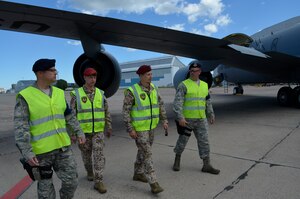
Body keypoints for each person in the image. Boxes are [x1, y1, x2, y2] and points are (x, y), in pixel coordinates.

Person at [14, 58, 86, 199]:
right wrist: (27, 152)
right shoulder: (26, 96)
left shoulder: (59, 93)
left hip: (62, 148)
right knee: (45, 192)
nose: (55, 73)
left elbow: (68, 115)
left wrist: (78, 131)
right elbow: (20, 127)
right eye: (52, 70)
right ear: (40, 73)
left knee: (71, 182)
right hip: (41, 153)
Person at [122, 65, 168, 194]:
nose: (150, 76)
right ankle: (153, 183)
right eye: (148, 74)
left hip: (151, 127)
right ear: (141, 76)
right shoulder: (132, 91)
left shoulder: (154, 88)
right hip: (139, 129)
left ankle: (137, 173)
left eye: (151, 74)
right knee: (147, 153)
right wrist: (130, 129)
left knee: (143, 151)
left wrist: (164, 120)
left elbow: (160, 104)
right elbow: (126, 112)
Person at [172, 61, 220, 175]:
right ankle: (177, 159)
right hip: (187, 120)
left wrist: (211, 114)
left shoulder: (204, 85)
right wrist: (180, 118)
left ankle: (206, 165)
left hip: (201, 119)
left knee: (204, 142)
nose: (194, 73)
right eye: (192, 71)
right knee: (182, 141)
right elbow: (177, 103)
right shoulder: (183, 85)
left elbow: (207, 101)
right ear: (190, 71)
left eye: (197, 71)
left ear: (200, 72)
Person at [70, 67, 112, 194]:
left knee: (99, 155)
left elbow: (106, 111)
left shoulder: (101, 93)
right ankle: (89, 171)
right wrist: (73, 133)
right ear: (84, 77)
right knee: (86, 156)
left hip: (98, 131)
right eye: (90, 77)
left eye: (94, 77)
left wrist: (108, 126)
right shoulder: (76, 94)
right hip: (83, 133)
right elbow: (71, 115)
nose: (92, 79)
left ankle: (99, 181)